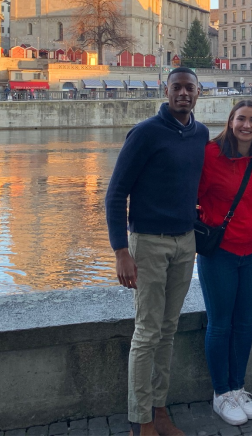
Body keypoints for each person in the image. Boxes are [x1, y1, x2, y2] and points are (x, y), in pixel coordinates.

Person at [105, 67, 209, 436]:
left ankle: (160, 409)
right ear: (165, 91)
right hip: (148, 242)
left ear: (199, 93)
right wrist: (121, 251)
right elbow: (116, 194)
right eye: (177, 87)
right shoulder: (146, 133)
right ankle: (141, 419)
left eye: (190, 88)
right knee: (147, 332)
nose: (184, 94)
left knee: (168, 330)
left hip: (185, 242)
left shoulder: (201, 134)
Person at [197, 100, 252, 426]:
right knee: (220, 323)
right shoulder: (210, 155)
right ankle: (221, 393)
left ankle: (239, 387)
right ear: (230, 122)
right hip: (220, 254)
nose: (247, 125)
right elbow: (190, 194)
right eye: (241, 119)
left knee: (244, 322)